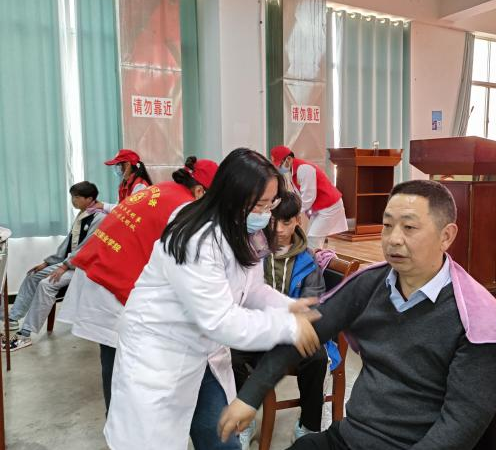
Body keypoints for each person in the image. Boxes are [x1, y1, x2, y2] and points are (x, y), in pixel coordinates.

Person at [219, 180, 496, 450]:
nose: (393, 239)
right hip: (351, 437)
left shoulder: (477, 320)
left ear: (446, 236)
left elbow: (461, 424)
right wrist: (250, 396)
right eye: (387, 225)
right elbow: (305, 329)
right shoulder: (371, 283)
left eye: (409, 227)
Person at [104, 148, 322, 450]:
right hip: (160, 357)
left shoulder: (241, 229)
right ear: (232, 196)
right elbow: (220, 320)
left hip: (204, 355)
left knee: (222, 441)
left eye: (270, 203)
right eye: (260, 204)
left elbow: (252, 289)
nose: (266, 213)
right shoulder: (198, 238)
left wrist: (288, 306)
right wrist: (289, 326)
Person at [58, 157, 218, 416]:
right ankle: (120, 427)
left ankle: (121, 424)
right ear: (200, 191)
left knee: (116, 361)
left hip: (99, 270)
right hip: (109, 282)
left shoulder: (164, 189)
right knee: (121, 366)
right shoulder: (185, 207)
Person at [231, 191, 329, 449]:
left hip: (291, 332)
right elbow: (243, 297)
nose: (279, 229)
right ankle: (245, 421)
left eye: (287, 222)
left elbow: (312, 305)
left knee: (317, 358)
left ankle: (308, 425)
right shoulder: (252, 251)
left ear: (298, 220)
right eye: (274, 222)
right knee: (230, 355)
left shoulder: (308, 260)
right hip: (257, 328)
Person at [5, 182, 105, 351]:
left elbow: (87, 248)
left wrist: (64, 266)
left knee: (47, 284)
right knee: (33, 276)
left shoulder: (100, 218)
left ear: (90, 199)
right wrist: (48, 262)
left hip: (85, 267)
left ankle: (25, 333)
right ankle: (13, 318)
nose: (73, 200)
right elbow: (69, 243)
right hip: (70, 263)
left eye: (77, 197)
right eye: (72, 196)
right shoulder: (83, 213)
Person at [270, 145, 347, 249]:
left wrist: (293, 212)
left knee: (313, 238)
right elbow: (299, 195)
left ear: (288, 159)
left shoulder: (304, 169)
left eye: (279, 165)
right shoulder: (293, 171)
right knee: (310, 237)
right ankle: (318, 256)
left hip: (329, 207)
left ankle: (315, 258)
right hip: (320, 208)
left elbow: (309, 197)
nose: (279, 168)